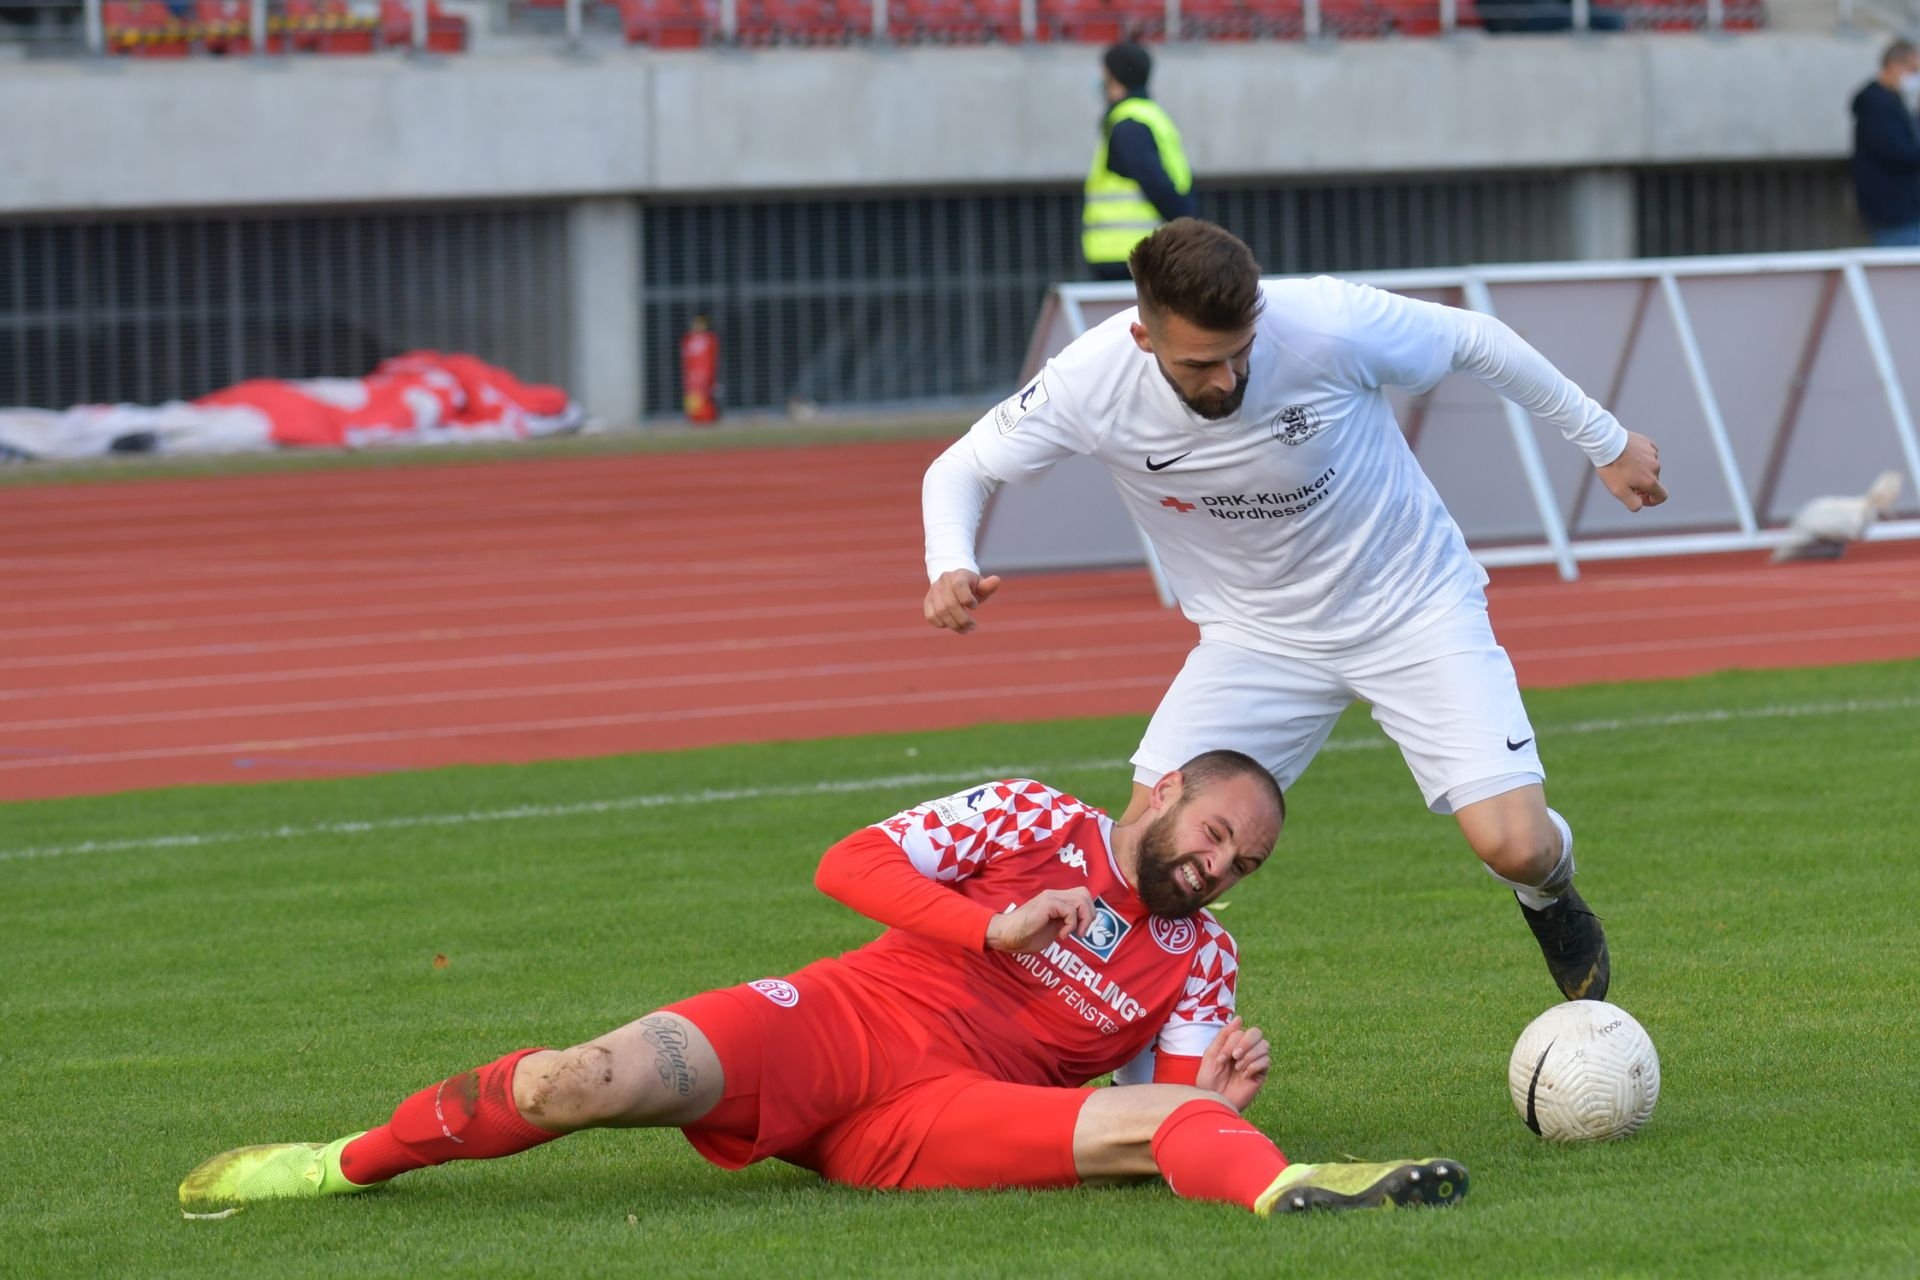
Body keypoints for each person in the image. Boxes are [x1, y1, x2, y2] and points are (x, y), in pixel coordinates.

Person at [178, 751, 1468, 1217]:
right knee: (578, 1077)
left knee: (1166, 1127)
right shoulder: (1028, 813)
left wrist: (1222, 1089)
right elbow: (846, 859)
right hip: (835, 1025)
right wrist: (993, 927)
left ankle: (1299, 1189)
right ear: (1163, 789)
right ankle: (341, 1160)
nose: (1219, 863)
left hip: (934, 1119)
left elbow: (1173, 1101)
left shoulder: (1205, 957)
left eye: (1244, 857)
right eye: (1213, 829)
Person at [921, 219, 1669, 1005]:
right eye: (1200, 363)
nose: (1227, 379)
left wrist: (1606, 439)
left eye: (1240, 352)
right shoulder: (1089, 380)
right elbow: (959, 467)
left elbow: (1476, 338)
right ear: (1143, 337)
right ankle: (1132, 1064)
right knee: (1145, 854)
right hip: (1254, 640)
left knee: (1515, 846)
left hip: (1413, 607)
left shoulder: (1322, 321)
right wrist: (951, 564)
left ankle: (1549, 894)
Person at [1084, 41, 1198, 283]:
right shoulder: (1150, 115)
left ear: (1113, 77)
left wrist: (1188, 233)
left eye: (1103, 72)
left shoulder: (1129, 124)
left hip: (1129, 257)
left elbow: (1159, 186)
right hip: (1140, 256)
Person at [1850, 39, 1920, 248]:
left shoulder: (1892, 100)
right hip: (1894, 212)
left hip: (1903, 208)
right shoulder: (1876, 104)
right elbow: (1900, 153)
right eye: (1914, 69)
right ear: (1895, 65)